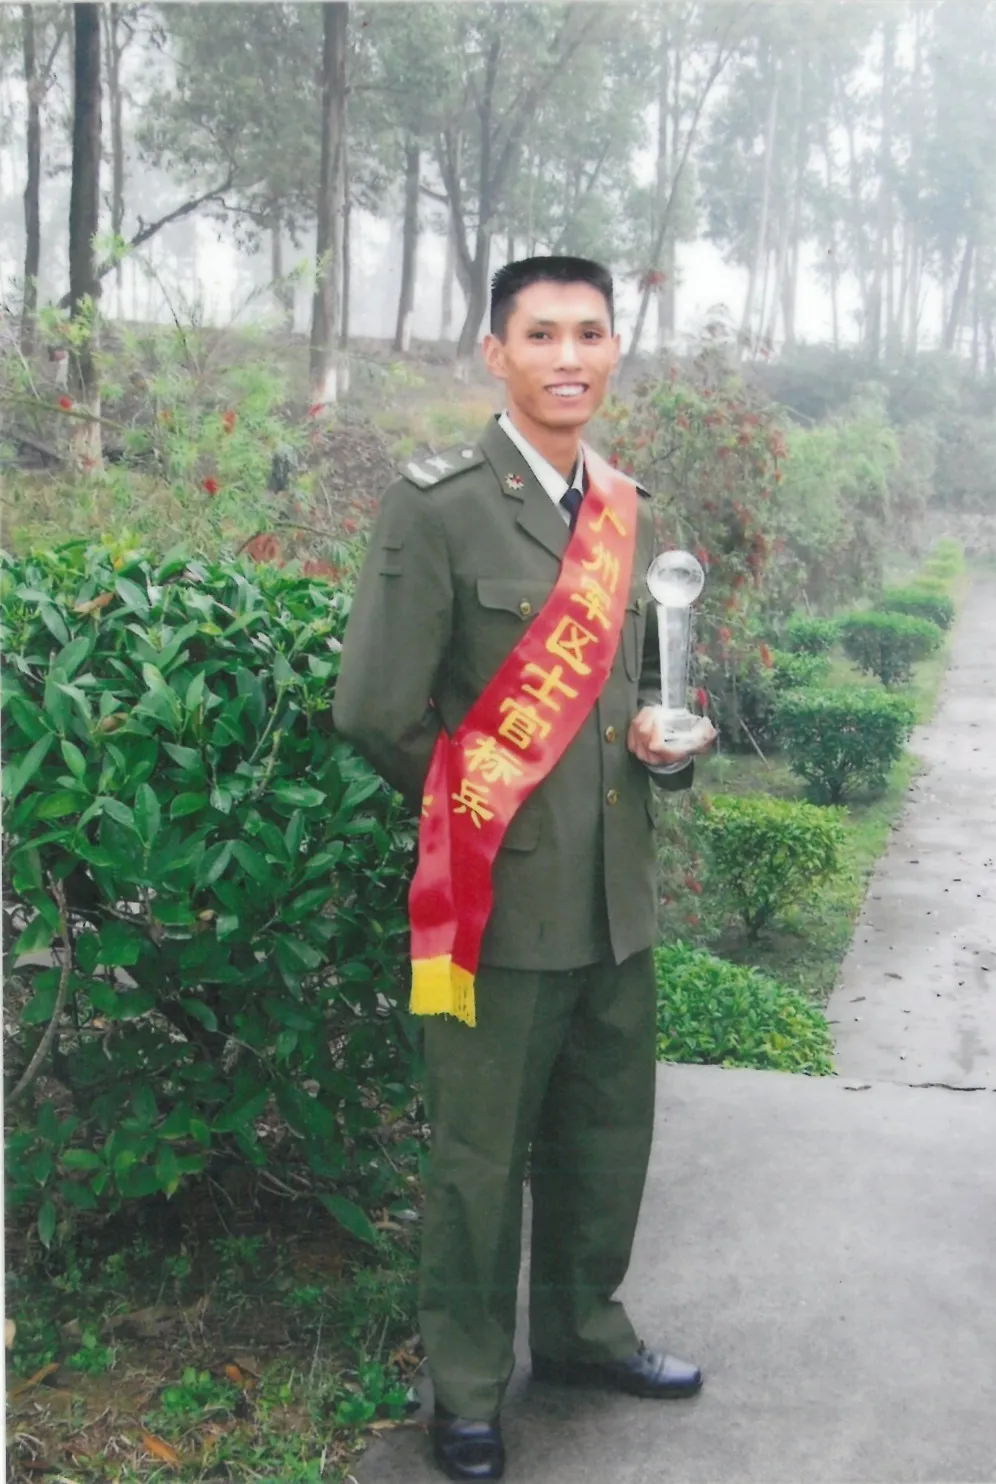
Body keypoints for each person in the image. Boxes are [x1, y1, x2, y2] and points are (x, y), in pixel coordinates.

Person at [333, 256, 716, 1482]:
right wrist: (477, 809)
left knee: (606, 1136)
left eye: (590, 333)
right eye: (541, 333)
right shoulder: (438, 506)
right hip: (494, 899)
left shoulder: (625, 508)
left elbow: (636, 690)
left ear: (614, 351)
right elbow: (375, 708)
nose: (569, 357)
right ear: (495, 352)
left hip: (616, 899)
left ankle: (585, 1332)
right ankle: (464, 1388)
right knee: (478, 1160)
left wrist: (662, 743)